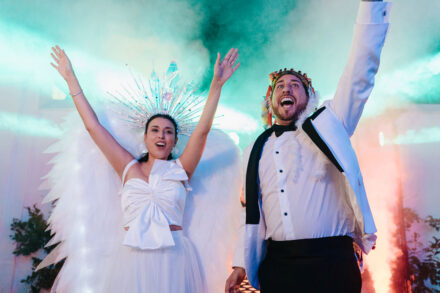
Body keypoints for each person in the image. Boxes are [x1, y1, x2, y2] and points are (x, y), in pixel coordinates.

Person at [225, 1, 391, 292]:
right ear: (271, 100)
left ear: (309, 95)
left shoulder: (330, 124)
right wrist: (240, 264)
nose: (286, 88)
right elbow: (252, 213)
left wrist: (371, 5)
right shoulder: (256, 147)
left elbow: (360, 71)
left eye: (295, 84)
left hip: (332, 262)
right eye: (280, 86)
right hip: (278, 267)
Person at [46, 46, 240, 292]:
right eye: (155, 130)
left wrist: (217, 85)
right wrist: (70, 78)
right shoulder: (128, 167)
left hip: (173, 259)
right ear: (146, 137)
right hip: (131, 261)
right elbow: (94, 127)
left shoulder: (181, 169)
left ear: (174, 140)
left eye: (168, 132)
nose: (162, 136)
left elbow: (202, 131)